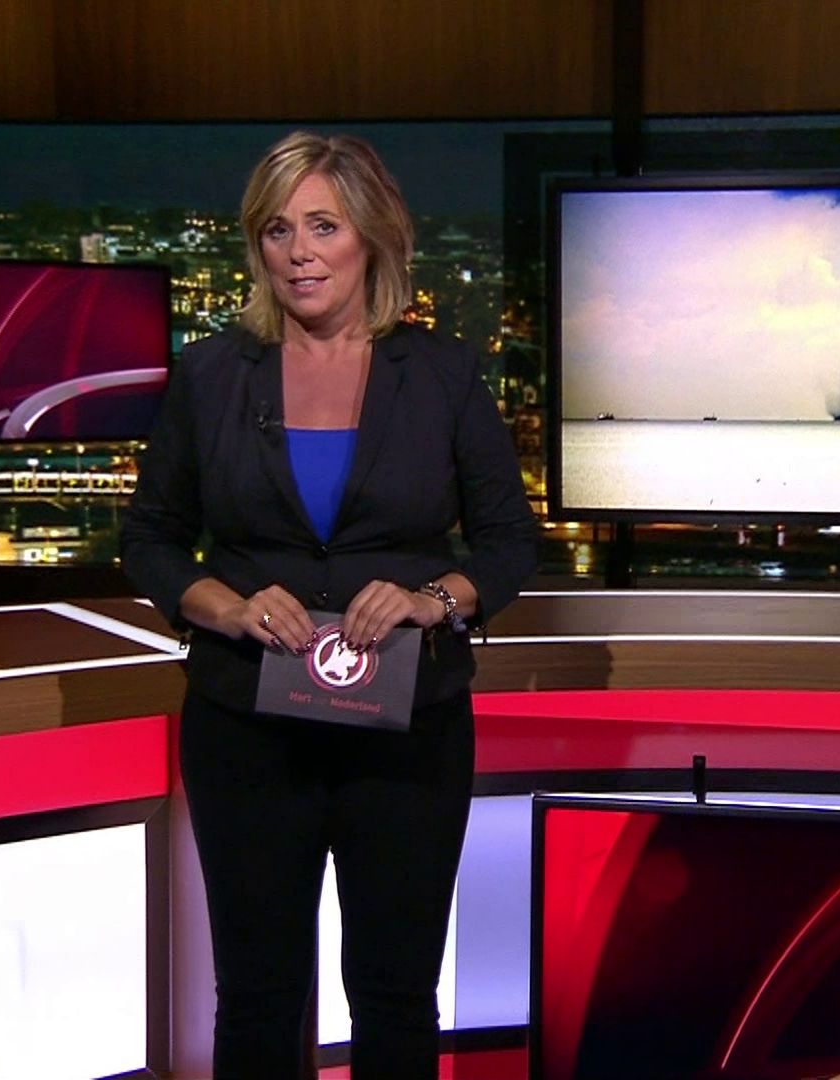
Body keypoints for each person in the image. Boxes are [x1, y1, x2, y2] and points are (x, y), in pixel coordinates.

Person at [120, 132, 538, 1078]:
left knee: (395, 993)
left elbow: (510, 544)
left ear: (371, 238)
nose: (299, 252)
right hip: (247, 726)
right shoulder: (211, 375)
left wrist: (433, 598)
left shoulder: (442, 375)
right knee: (257, 994)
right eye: (277, 230)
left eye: (322, 226)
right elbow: (149, 538)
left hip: (407, 733)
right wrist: (225, 607)